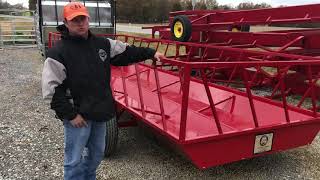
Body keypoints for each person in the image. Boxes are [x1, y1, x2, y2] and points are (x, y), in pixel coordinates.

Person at [41, 2, 163, 180]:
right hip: (78, 117)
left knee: (97, 155)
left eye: (83, 18)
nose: (80, 23)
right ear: (66, 23)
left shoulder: (102, 44)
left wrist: (151, 53)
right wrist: (70, 115)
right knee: (73, 160)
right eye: (75, 20)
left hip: (101, 113)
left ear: (88, 19)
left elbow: (128, 52)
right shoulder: (58, 53)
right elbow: (51, 90)